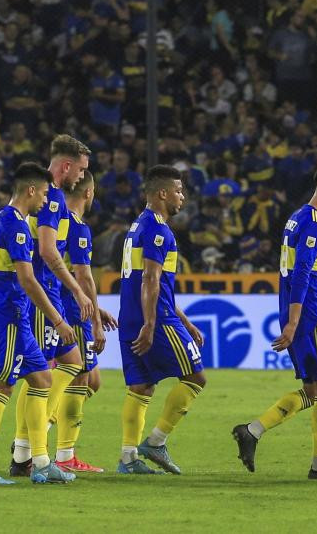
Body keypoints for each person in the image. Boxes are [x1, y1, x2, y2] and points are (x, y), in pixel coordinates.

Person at [232, 161, 317, 479]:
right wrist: (294, 322)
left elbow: (307, 276)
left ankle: (253, 430)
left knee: (315, 389)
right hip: (310, 317)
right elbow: (301, 274)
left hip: (311, 311)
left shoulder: (296, 219)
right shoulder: (316, 226)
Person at [0, 163, 76, 485]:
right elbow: (27, 279)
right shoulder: (15, 225)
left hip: (8, 314)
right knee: (1, 385)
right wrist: (57, 320)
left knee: (42, 379)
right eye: (43, 193)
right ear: (30, 190)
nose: (45, 200)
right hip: (11, 314)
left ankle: (41, 462)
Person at [9, 136, 95, 477]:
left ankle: (23, 451)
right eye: (81, 169)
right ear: (66, 166)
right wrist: (78, 290)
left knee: (59, 367)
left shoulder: (34, 193)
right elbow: (48, 251)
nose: (82, 177)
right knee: (50, 372)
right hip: (43, 292)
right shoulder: (51, 198)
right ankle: (32, 448)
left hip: (40, 292)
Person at [117, 165, 206, 475]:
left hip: (129, 316)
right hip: (155, 319)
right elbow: (151, 281)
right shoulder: (158, 229)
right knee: (196, 378)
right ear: (163, 193)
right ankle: (156, 441)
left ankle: (128, 458)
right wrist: (152, 323)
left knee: (140, 387)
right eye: (179, 191)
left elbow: (156, 284)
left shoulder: (138, 226)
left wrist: (188, 321)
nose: (182, 197)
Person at [51, 173, 116, 473]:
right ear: (89, 193)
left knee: (93, 381)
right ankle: (56, 446)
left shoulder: (53, 221)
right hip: (73, 313)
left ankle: (46, 433)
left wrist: (97, 309)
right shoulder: (77, 227)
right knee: (79, 377)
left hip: (60, 306)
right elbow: (84, 276)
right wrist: (95, 324)